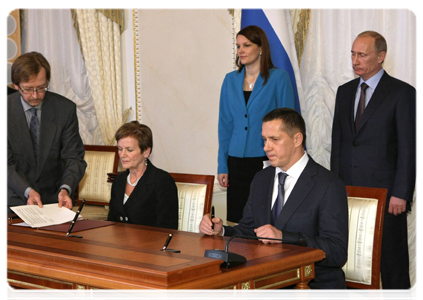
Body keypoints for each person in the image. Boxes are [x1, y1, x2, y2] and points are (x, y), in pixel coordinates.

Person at [202, 108, 349, 299]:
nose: (266, 147)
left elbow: (336, 252)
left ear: (297, 140)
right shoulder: (261, 179)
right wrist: (221, 231)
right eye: (264, 139)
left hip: (310, 289)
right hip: (265, 287)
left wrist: (283, 236)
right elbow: (250, 230)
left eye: (274, 139)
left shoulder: (328, 184)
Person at [331, 31, 419, 300]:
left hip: (387, 197)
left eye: (362, 54)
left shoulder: (402, 93)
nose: (355, 60)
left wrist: (401, 193)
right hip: (349, 194)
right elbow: (339, 145)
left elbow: (409, 149)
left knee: (392, 268)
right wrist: (334, 190)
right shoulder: (345, 92)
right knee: (355, 264)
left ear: (381, 57)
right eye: (353, 54)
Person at [218, 25, 295, 223]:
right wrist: (222, 165)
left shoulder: (279, 78)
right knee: (237, 218)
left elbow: (289, 124)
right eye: (238, 46)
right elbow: (225, 125)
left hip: (267, 158)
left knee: (263, 218)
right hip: (235, 160)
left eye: (247, 45)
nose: (240, 50)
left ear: (261, 48)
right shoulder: (229, 80)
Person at [5, 52, 87, 214]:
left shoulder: (65, 109)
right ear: (16, 85)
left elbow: (74, 158)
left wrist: (65, 189)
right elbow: (5, 164)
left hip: (54, 202)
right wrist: (28, 191)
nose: (35, 96)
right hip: (13, 202)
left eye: (41, 88)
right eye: (28, 89)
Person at [107, 121, 178, 229]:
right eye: (120, 149)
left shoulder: (162, 181)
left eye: (129, 150)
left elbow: (167, 228)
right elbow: (111, 223)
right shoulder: (119, 181)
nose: (122, 155)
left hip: (151, 244)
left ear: (146, 152)